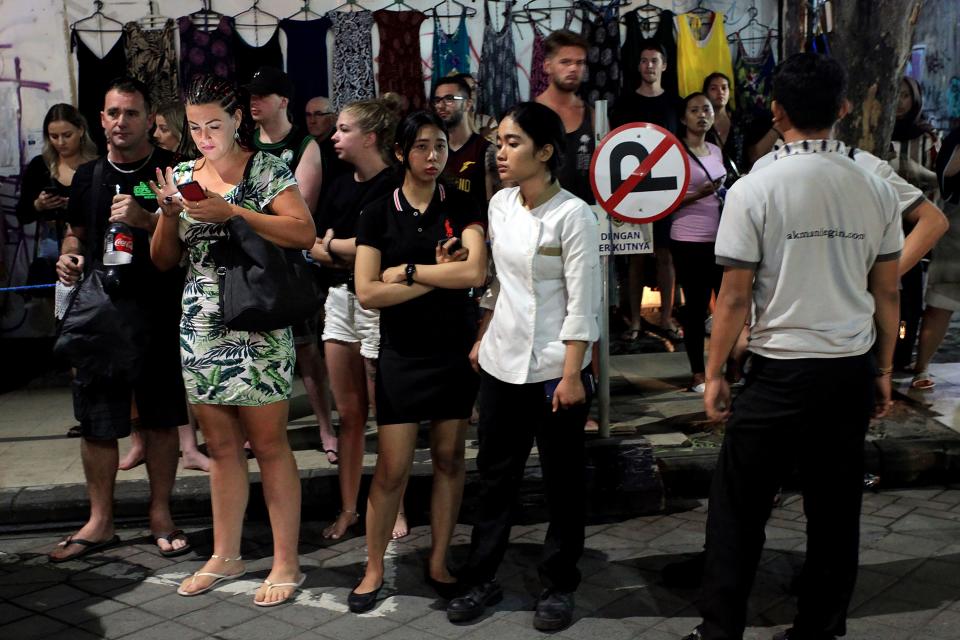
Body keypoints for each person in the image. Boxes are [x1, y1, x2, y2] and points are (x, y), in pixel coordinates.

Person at [682, 53, 902, 640]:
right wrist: (882, 370)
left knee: (737, 510)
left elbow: (732, 297)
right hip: (849, 369)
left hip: (779, 371)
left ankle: (720, 630)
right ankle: (820, 629)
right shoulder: (876, 186)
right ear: (844, 109)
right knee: (835, 513)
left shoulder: (756, 188)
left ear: (776, 112)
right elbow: (886, 293)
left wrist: (715, 374)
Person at [149, 74, 315, 606]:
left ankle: (287, 560)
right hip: (200, 320)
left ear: (238, 118)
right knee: (221, 450)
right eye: (194, 126)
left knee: (268, 445)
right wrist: (168, 217)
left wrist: (234, 212)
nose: (203, 136)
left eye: (213, 125)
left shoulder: (264, 168)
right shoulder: (180, 173)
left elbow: (303, 233)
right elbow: (163, 260)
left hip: (258, 318)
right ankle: (226, 553)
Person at [446, 102, 601, 632]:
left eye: (513, 142)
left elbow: (584, 303)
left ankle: (559, 584)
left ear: (546, 151)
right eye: (499, 142)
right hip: (500, 362)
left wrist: (574, 373)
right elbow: (496, 282)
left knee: (562, 482)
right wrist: (484, 333)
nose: (501, 151)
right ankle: (482, 577)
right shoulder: (501, 205)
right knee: (495, 478)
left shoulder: (576, 216)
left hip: (557, 368)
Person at [349, 110, 488, 612]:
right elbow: (367, 292)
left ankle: (438, 561)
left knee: (451, 459)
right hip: (403, 355)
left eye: (441, 147)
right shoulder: (377, 212)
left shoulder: (464, 201)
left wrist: (406, 272)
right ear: (402, 152)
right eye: (423, 147)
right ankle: (373, 568)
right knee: (392, 469)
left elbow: (474, 269)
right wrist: (436, 274)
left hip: (452, 350)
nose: (434, 156)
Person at [51, 77, 191, 562]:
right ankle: (101, 521)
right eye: (112, 113)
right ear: (102, 119)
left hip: (158, 311)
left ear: (148, 119)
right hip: (99, 314)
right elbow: (76, 234)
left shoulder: (174, 172)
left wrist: (147, 219)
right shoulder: (88, 176)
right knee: (97, 420)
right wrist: (68, 258)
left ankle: (160, 513)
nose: (120, 122)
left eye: (130, 113)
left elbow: (196, 241)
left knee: (158, 418)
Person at [310, 97, 401, 540]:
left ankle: (392, 505)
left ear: (370, 137)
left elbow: (377, 249)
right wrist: (341, 246)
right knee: (349, 414)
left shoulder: (393, 185)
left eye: (343, 129)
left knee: (388, 413)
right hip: (339, 300)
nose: (334, 136)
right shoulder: (340, 184)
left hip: (376, 304)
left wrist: (338, 246)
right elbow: (314, 244)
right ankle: (348, 508)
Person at [247, 67, 337, 465]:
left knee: (306, 352)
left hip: (288, 265)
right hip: (248, 261)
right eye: (251, 95)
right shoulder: (242, 142)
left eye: (262, 95)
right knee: (253, 349)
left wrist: (246, 211)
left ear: (282, 101)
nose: (253, 101)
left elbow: (302, 214)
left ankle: (325, 425)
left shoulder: (304, 146)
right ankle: (264, 430)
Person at [117, 101, 207, 474]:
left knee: (179, 375)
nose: (156, 135)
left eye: (163, 129)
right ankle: (148, 441)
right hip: (146, 280)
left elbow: (196, 232)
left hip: (188, 287)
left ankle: (190, 446)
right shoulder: (154, 169)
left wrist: (147, 219)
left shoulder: (187, 172)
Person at [610, 42, 683, 344]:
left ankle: (666, 317)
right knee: (636, 257)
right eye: (644, 61)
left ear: (664, 65)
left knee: (666, 255)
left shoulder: (677, 104)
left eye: (654, 60)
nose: (649, 66)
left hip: (667, 189)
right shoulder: (624, 103)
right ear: (638, 67)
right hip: (633, 190)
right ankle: (636, 321)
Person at [671, 93, 727, 393]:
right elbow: (663, 200)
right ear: (683, 118)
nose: (701, 115)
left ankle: (730, 368)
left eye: (706, 109)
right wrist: (700, 193)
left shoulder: (717, 151)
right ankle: (697, 372)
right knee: (695, 308)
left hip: (721, 239)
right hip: (688, 239)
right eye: (694, 110)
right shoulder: (674, 153)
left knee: (727, 304)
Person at [891, 76, 941, 371]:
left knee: (909, 293)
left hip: (917, 226)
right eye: (895, 95)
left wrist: (920, 173)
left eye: (906, 96)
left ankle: (902, 350)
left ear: (915, 99)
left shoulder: (928, 138)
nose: (899, 102)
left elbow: (946, 181)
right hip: (881, 225)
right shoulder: (877, 131)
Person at [911, 126, 960, 390]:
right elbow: (946, 175)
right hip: (957, 228)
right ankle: (921, 368)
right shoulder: (957, 135)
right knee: (941, 302)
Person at [16, 104, 97, 244]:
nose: (60, 142)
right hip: (50, 241)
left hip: (89, 240)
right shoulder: (40, 165)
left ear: (81, 130)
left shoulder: (98, 166)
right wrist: (38, 205)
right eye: (54, 136)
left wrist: (77, 206)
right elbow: (22, 215)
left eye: (67, 135)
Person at [432, 75, 494, 212]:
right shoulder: (433, 151)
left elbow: (497, 207)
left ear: (468, 104)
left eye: (449, 99)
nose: (441, 106)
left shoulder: (486, 150)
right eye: (437, 100)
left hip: (475, 229)